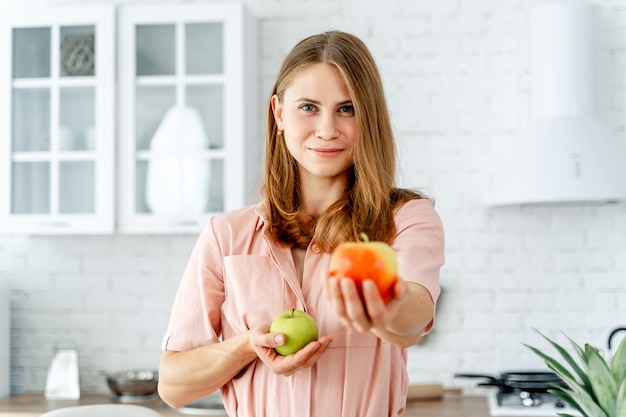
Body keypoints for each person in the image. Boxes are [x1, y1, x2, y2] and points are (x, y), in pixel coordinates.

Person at [158, 30, 445, 417]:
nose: (327, 129)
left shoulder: (405, 218)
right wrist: (247, 346)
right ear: (278, 113)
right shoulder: (226, 236)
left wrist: (383, 299)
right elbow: (173, 385)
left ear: (369, 117)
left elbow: (415, 317)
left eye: (347, 109)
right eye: (308, 107)